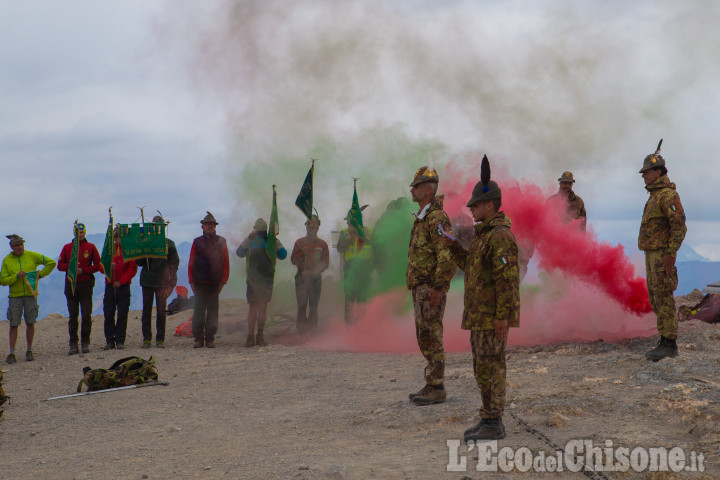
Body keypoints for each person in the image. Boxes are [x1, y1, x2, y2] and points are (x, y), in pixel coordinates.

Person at [446, 160, 520, 442]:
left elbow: (507, 280)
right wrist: (454, 248)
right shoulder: (483, 236)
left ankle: (495, 421)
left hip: (492, 316)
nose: (471, 209)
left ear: (490, 205)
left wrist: (502, 316)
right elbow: (472, 267)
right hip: (479, 315)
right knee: (481, 366)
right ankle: (487, 416)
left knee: (492, 365)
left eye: (475, 205)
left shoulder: (500, 237)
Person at [405, 166, 456, 406]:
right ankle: (432, 383)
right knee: (424, 335)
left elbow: (447, 256)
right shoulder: (423, 217)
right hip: (421, 287)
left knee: (432, 335)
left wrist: (437, 287)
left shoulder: (436, 218)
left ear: (428, 189)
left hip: (430, 288)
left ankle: (437, 386)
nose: (412, 190)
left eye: (417, 186)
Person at [638, 143, 686, 361]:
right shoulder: (654, 196)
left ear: (658, 172)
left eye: (646, 172)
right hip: (652, 254)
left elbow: (679, 225)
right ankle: (664, 339)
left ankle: (669, 344)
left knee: (664, 296)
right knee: (655, 297)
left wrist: (671, 253)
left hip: (661, 255)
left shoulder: (667, 196)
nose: (644, 176)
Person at [0, 235, 56, 364]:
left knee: (30, 322)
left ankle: (29, 350)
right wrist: (16, 276)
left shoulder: (31, 255)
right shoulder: (7, 260)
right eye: (17, 245)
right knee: (14, 324)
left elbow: (51, 263)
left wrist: (39, 275)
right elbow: (2, 280)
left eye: (21, 244)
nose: (20, 247)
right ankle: (12, 352)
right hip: (15, 296)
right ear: (12, 247)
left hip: (31, 294)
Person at [237, 218, 287, 346]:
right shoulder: (254, 240)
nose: (260, 231)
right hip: (256, 280)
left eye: (261, 229)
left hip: (265, 279)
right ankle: (254, 335)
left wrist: (274, 241)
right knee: (258, 308)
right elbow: (240, 253)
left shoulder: (270, 241)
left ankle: (256, 335)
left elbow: (283, 255)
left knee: (258, 308)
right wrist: (250, 238)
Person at [57, 223, 102, 355]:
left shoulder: (91, 247)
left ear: (85, 233)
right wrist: (70, 267)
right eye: (77, 233)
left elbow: (98, 265)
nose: (80, 235)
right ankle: (73, 343)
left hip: (86, 284)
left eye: (82, 233)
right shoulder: (67, 247)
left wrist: (84, 270)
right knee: (73, 316)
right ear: (74, 233)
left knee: (86, 315)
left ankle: (85, 342)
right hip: (71, 284)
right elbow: (60, 265)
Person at [137, 216, 179, 348]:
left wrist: (172, 284)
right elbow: (139, 262)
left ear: (163, 228)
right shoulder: (146, 242)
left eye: (161, 227)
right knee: (146, 310)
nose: (158, 229)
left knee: (161, 311)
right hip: (147, 281)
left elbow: (174, 264)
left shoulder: (169, 244)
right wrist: (142, 248)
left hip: (163, 282)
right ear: (152, 228)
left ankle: (160, 339)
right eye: (156, 227)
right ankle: (146, 339)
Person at [188, 212, 229, 349]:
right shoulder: (196, 241)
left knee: (212, 311)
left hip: (215, 283)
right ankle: (198, 339)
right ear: (202, 226)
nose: (209, 226)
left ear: (215, 226)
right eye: (207, 224)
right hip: (199, 282)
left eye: (212, 224)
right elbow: (191, 262)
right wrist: (191, 281)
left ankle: (210, 338)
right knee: (199, 311)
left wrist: (223, 281)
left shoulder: (221, 241)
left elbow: (225, 262)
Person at [290, 215, 329, 335]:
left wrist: (313, 272)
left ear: (318, 227)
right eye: (309, 225)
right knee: (301, 305)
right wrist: (303, 266)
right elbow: (293, 259)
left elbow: (325, 263)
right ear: (306, 226)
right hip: (301, 277)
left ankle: (311, 332)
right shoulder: (300, 242)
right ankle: (302, 332)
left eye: (315, 226)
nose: (312, 228)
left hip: (315, 278)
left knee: (313, 306)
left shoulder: (322, 244)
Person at [102, 227, 138, 350]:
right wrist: (108, 267)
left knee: (122, 314)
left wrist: (121, 281)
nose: (119, 239)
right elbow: (101, 266)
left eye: (121, 237)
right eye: (117, 236)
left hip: (123, 286)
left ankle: (120, 340)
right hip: (110, 286)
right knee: (109, 314)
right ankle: (109, 340)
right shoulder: (108, 250)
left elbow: (132, 268)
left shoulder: (129, 250)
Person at [337, 211, 373, 324]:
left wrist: (364, 237)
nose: (347, 222)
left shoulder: (368, 231)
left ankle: (361, 324)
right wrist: (349, 241)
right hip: (350, 268)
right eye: (347, 220)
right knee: (349, 297)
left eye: (349, 219)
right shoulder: (344, 233)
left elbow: (376, 246)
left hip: (365, 268)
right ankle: (349, 324)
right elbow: (339, 248)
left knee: (363, 297)